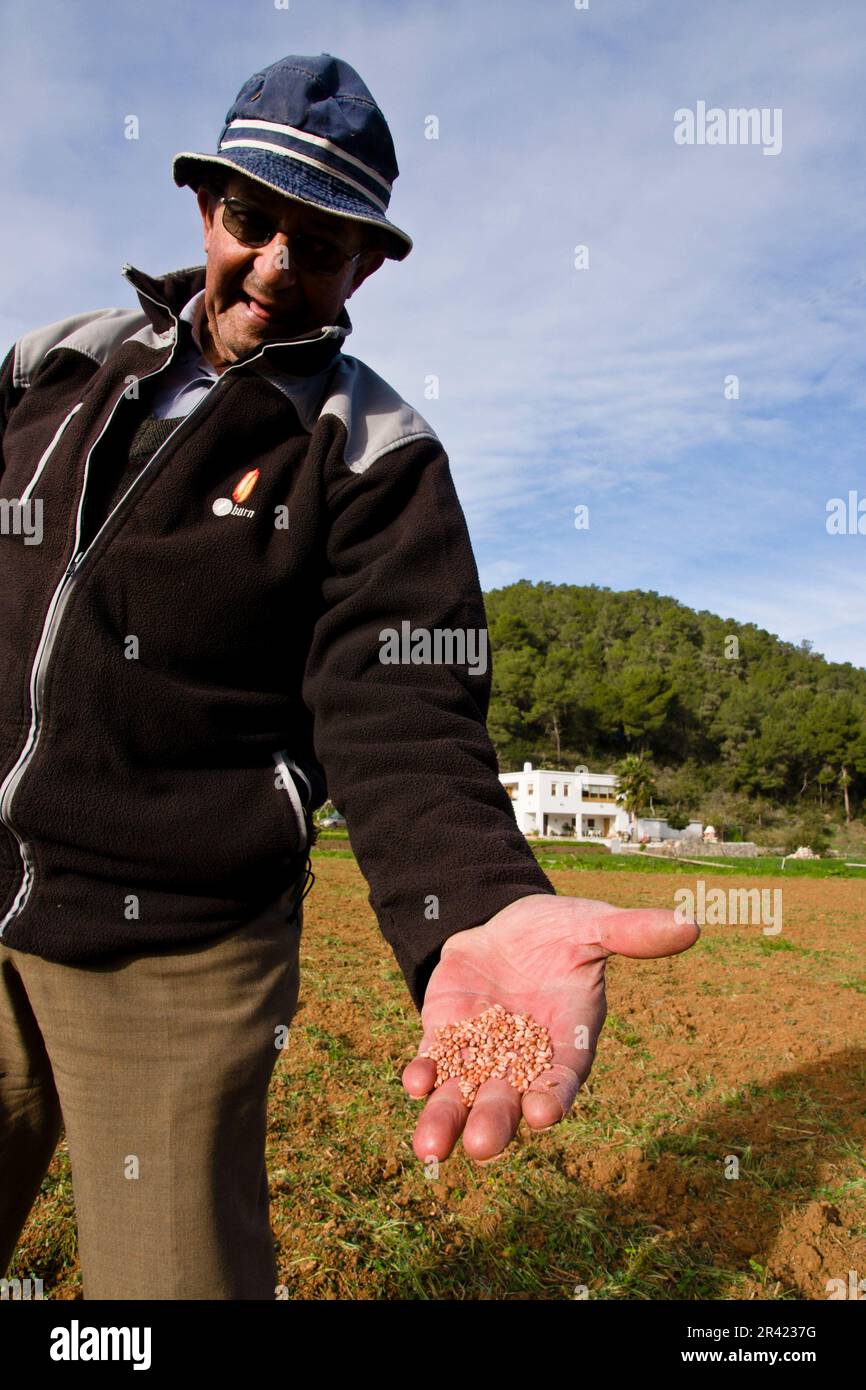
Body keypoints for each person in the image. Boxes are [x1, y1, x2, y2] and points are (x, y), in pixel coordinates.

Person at [0, 52, 698, 1300]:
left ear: (365, 266)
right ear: (206, 207)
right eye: (253, 219)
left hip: (176, 944)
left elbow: (401, 703)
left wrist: (475, 900)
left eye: (318, 244)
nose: (275, 262)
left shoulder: (373, 455)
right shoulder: (57, 367)